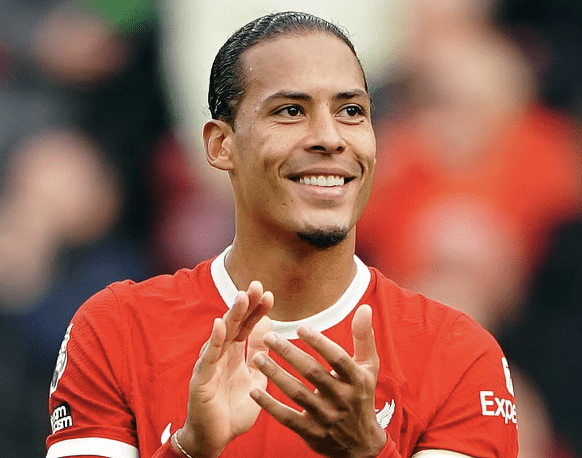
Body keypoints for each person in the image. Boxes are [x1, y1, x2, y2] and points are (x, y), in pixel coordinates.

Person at [45, 11, 518, 458]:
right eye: (291, 111)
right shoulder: (116, 331)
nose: (330, 137)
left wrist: (368, 452)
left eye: (351, 111)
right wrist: (191, 449)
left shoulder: (459, 355)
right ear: (220, 144)